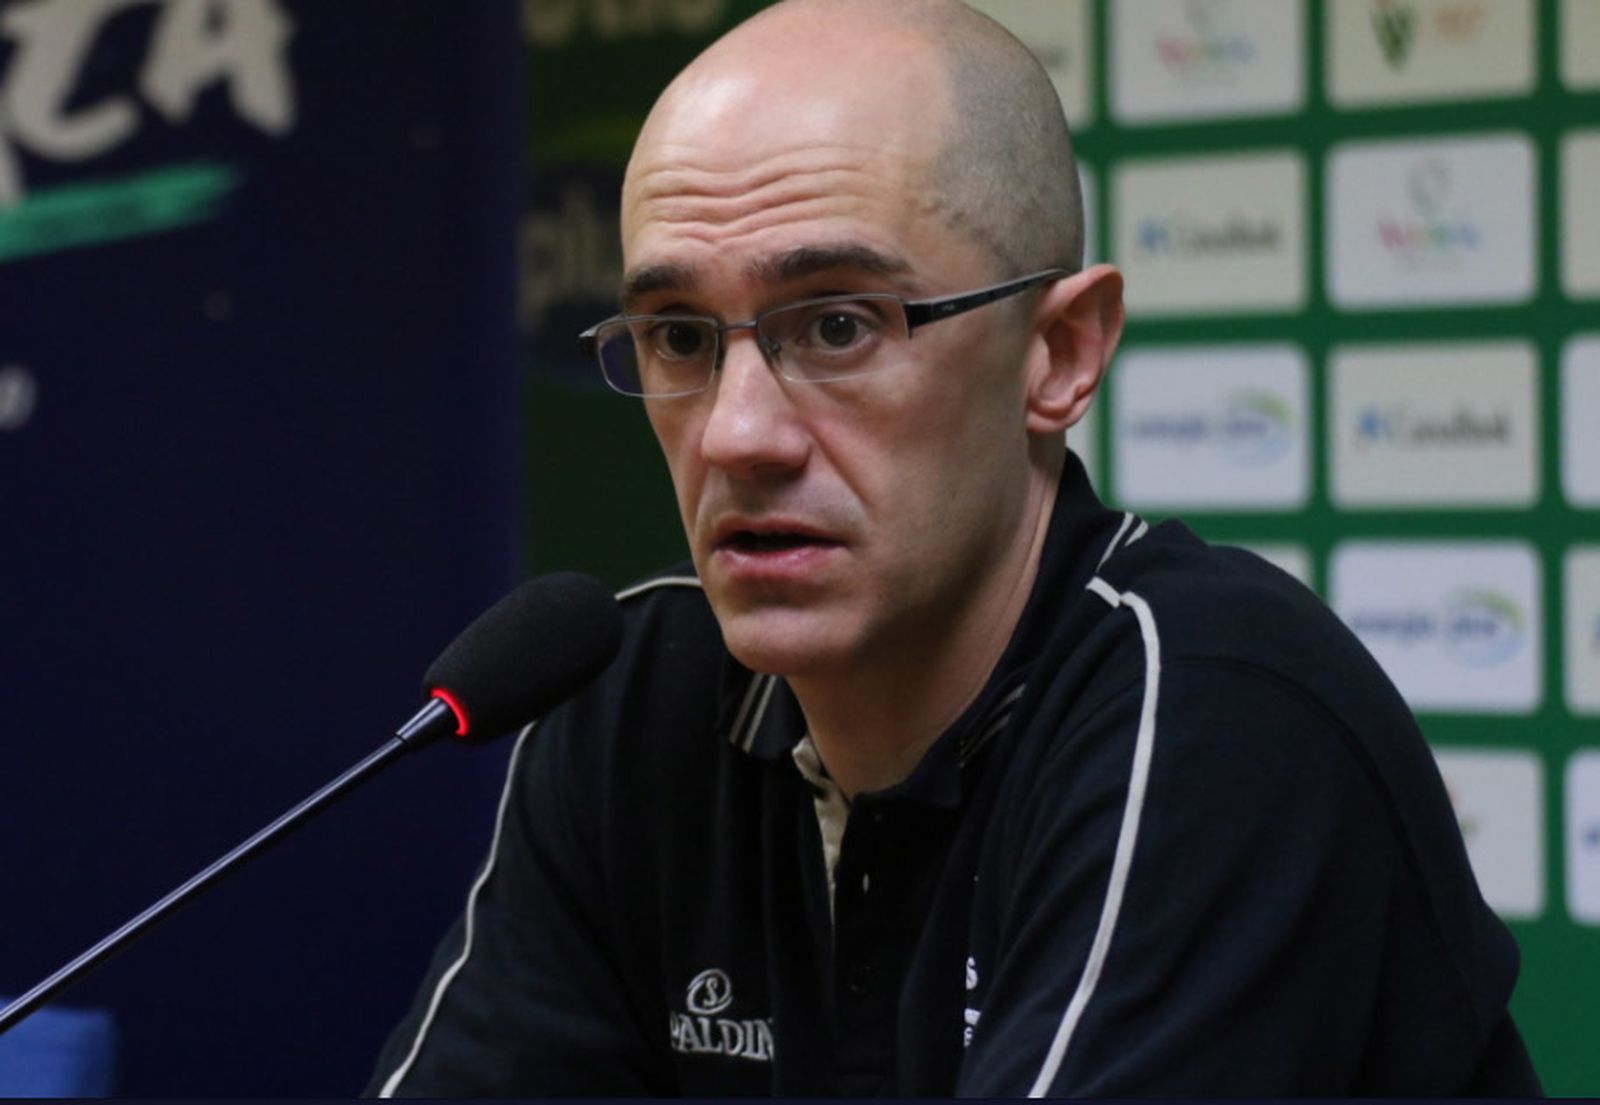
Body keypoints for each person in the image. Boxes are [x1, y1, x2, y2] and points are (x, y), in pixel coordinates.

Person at [368, 0, 1540, 1095]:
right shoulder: (633, 697)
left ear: (1060, 352)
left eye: (837, 325)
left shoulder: (1216, 713)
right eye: (679, 335)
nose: (736, 433)